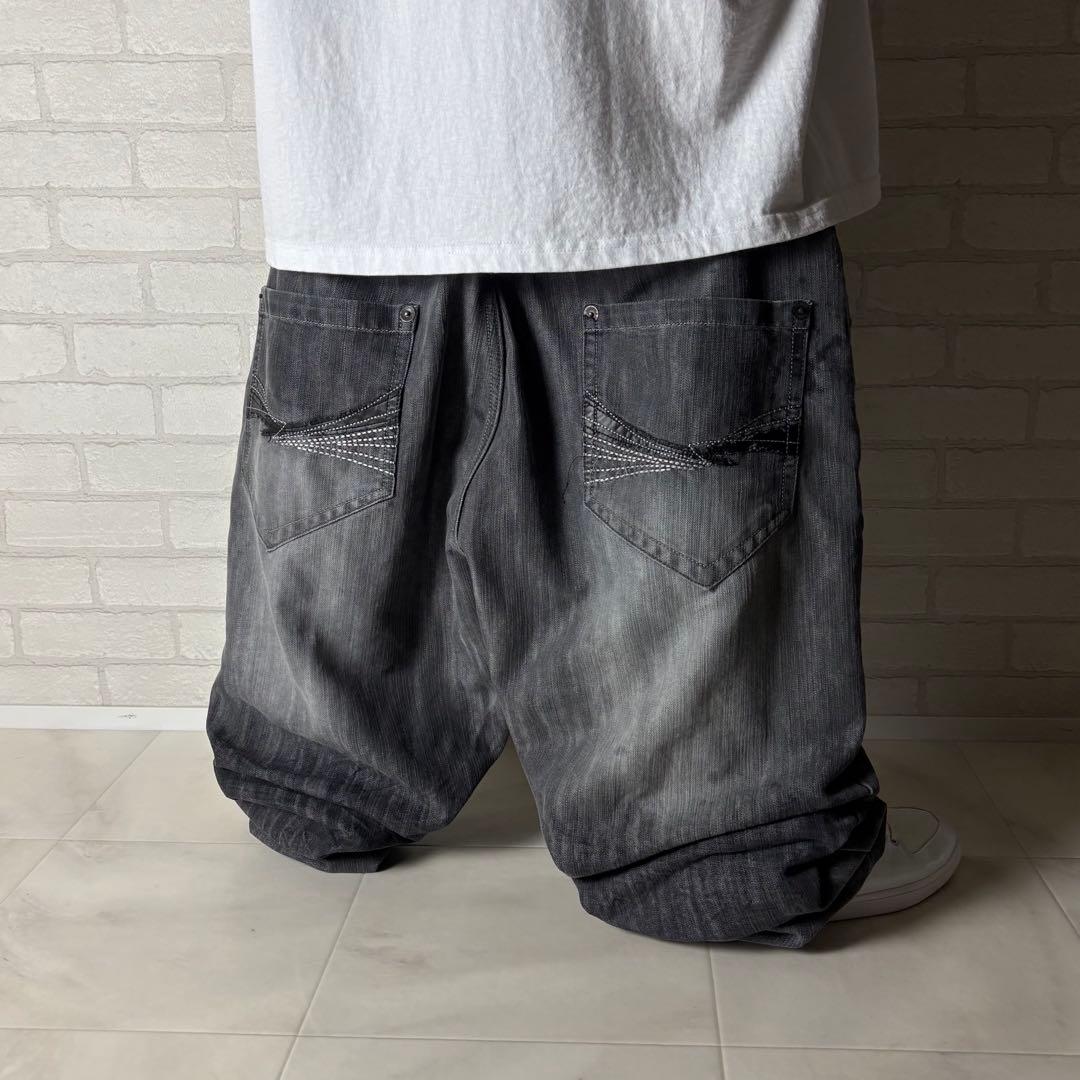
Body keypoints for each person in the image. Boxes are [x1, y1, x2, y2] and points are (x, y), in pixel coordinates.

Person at [205, 0, 960, 947]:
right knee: (702, 676)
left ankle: (316, 793)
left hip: (358, 136)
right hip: (673, 138)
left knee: (333, 650)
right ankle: (726, 854)